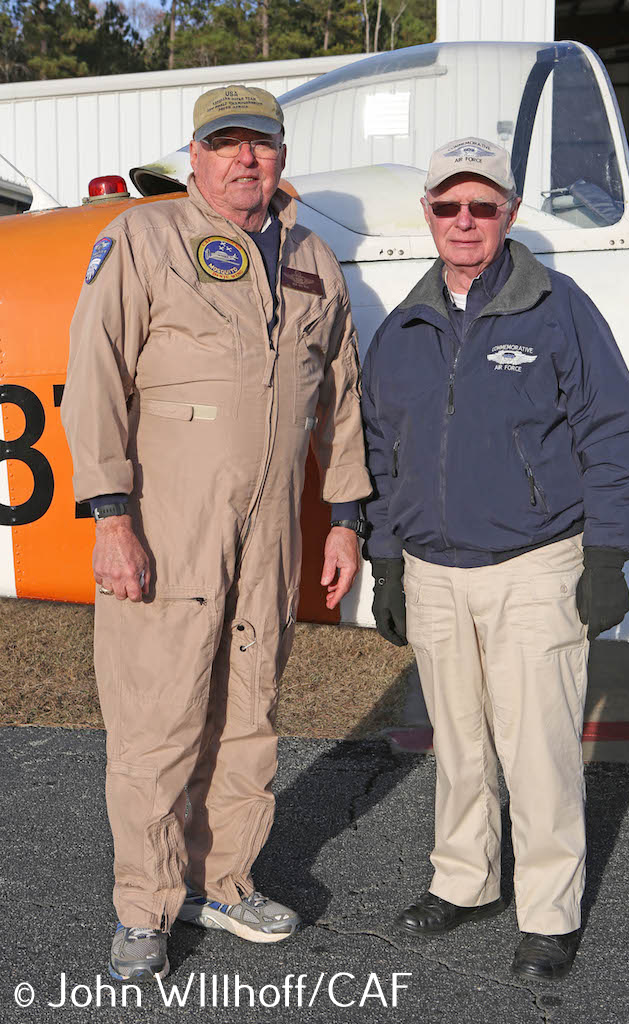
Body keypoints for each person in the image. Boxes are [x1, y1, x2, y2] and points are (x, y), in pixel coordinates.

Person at [61, 84, 371, 982]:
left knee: (247, 713)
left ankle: (224, 880)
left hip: (270, 527)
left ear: (280, 155)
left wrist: (344, 517)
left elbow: (341, 399)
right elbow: (95, 379)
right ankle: (142, 908)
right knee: (157, 717)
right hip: (167, 519)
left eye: (260, 145)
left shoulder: (313, 254)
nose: (245, 159)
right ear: (194, 155)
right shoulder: (144, 237)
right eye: (224, 143)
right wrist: (111, 518)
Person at [361, 137, 629, 981]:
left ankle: (550, 913)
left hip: (534, 565)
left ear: (508, 215)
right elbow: (380, 453)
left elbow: (612, 433)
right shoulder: (402, 329)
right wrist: (386, 565)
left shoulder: (558, 308)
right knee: (458, 741)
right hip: (432, 570)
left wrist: (607, 553)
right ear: (427, 215)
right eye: (447, 206)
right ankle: (464, 880)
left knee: (538, 748)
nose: (463, 221)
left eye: (480, 207)